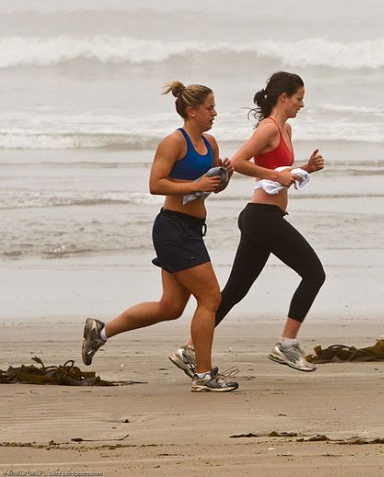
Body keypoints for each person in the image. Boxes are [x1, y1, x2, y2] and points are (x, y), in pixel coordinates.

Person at [81, 81, 238, 393]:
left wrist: (223, 179)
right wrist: (195, 185)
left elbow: (208, 189)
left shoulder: (211, 144)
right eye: (209, 108)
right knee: (211, 298)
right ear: (192, 111)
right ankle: (204, 375)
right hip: (172, 229)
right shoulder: (173, 142)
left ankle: (100, 332)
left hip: (191, 229)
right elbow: (156, 184)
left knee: (170, 307)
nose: (215, 113)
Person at [169, 71, 326, 376]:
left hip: (262, 218)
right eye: (298, 98)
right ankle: (287, 345)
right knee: (314, 273)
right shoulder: (268, 128)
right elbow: (238, 161)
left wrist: (305, 168)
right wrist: (276, 176)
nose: (301, 105)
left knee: (236, 290)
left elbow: (277, 168)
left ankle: (188, 348)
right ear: (283, 97)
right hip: (262, 218)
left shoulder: (286, 129)